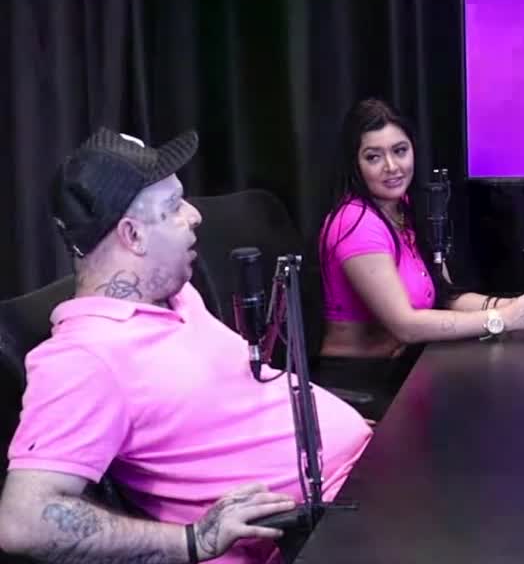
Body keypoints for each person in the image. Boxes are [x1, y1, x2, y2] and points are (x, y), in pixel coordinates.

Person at [0, 128, 372, 563]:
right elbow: (22, 521)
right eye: (174, 206)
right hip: (317, 530)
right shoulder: (84, 359)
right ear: (133, 235)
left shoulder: (175, 295)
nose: (194, 215)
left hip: (364, 479)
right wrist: (190, 540)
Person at [313, 99, 524, 404]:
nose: (392, 167)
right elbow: (405, 326)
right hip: (361, 385)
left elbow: (445, 296)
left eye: (400, 151)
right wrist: (503, 318)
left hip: (404, 368)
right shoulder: (355, 223)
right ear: (355, 164)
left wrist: (520, 307)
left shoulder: (402, 209)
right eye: (374, 157)